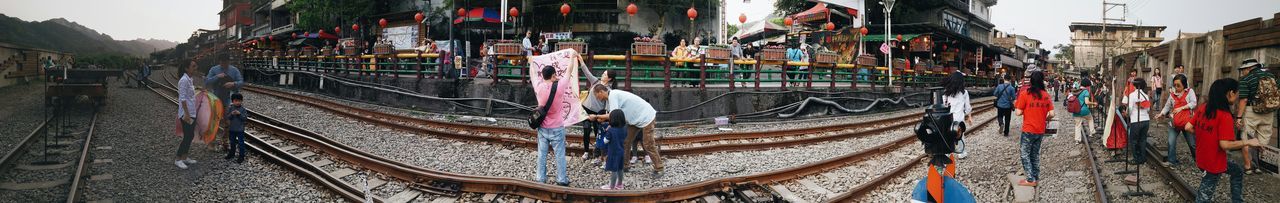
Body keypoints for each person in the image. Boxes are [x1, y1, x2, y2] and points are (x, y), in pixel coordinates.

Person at [1193, 78, 1263, 203]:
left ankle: (1237, 200)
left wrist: (1209, 135)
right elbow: (1225, 145)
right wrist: (1248, 142)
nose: (1237, 97)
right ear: (1230, 93)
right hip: (1214, 163)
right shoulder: (1224, 115)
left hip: (1201, 157)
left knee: (1237, 171)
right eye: (1237, 93)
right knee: (1203, 197)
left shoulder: (1203, 108)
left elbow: (1188, 126)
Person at [588, 87, 664, 177]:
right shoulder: (609, 100)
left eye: (596, 95)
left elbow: (612, 114)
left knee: (648, 144)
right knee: (626, 142)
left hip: (646, 117)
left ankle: (659, 168)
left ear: (601, 92)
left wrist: (596, 116)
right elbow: (613, 116)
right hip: (635, 119)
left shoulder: (613, 95)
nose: (597, 98)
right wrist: (605, 121)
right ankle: (625, 166)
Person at [1234, 58, 1276, 173]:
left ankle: (1248, 167)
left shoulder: (1246, 79)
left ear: (1248, 68)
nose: (1242, 72)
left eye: (1243, 70)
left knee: (1246, 138)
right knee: (1263, 139)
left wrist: (1238, 118)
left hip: (1251, 111)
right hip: (1269, 112)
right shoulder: (1271, 76)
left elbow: (1243, 100)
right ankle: (1258, 166)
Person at [1015, 71, 1054, 187]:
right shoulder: (1046, 95)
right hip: (1040, 130)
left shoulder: (1025, 94)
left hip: (1028, 129)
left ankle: (1030, 180)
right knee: (1035, 154)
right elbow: (1052, 113)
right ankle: (1035, 176)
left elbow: (1018, 112)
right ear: (1042, 81)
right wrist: (1044, 117)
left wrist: (1026, 111)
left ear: (1031, 81)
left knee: (1024, 153)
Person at [533, 66, 570, 186]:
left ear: (543, 75)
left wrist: (531, 61)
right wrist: (572, 57)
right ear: (554, 75)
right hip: (557, 127)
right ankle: (561, 179)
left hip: (543, 127)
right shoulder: (559, 86)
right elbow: (568, 71)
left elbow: (533, 73)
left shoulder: (538, 86)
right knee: (559, 155)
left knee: (542, 154)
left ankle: (540, 178)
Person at [206, 55, 244, 152]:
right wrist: (217, 76)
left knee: (228, 122)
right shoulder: (214, 70)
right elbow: (207, 82)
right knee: (214, 122)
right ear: (219, 61)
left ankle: (225, 143)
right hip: (215, 100)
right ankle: (211, 143)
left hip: (228, 100)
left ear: (229, 61)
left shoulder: (234, 70)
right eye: (222, 62)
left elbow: (241, 82)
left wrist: (233, 84)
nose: (224, 64)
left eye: (226, 62)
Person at [1155, 74, 1196, 166]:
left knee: (1192, 144)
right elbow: (1167, 106)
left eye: (1178, 85)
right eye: (1175, 85)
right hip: (1174, 122)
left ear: (1184, 85)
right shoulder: (1172, 94)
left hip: (1187, 123)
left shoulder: (1190, 92)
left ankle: (1199, 161)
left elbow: (1193, 103)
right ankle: (1171, 160)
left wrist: (1182, 108)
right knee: (1171, 142)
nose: (1176, 88)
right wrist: (1161, 114)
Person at [580, 67, 613, 162]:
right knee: (586, 129)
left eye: (605, 74)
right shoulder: (595, 82)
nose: (602, 75)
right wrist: (581, 62)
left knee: (598, 133)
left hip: (598, 113)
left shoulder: (609, 90)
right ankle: (586, 152)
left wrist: (604, 117)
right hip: (586, 109)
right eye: (603, 73)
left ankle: (597, 155)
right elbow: (587, 72)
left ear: (609, 79)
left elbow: (607, 106)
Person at [175, 61, 200, 169]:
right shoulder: (184, 80)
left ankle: (185, 157)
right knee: (188, 136)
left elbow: (190, 95)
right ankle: (178, 159)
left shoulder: (190, 79)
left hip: (191, 111)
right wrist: (186, 114)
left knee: (190, 136)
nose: (195, 68)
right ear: (186, 68)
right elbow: (182, 98)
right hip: (187, 113)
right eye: (193, 66)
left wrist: (199, 89)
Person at [941, 72, 972, 159]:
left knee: (948, 136)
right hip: (959, 119)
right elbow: (967, 107)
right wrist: (969, 116)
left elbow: (944, 105)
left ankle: (947, 153)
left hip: (948, 118)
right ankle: (961, 153)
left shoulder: (946, 92)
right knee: (960, 136)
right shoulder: (964, 93)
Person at [599, 110, 628, 190]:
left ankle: (611, 186)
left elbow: (605, 141)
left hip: (613, 153)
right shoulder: (624, 128)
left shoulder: (611, 130)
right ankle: (620, 184)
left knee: (614, 170)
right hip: (621, 151)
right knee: (620, 168)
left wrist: (606, 132)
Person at [224, 93, 248, 163]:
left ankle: (241, 156)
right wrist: (231, 114)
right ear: (232, 101)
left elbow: (245, 118)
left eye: (239, 101)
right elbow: (228, 117)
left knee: (241, 143)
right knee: (232, 142)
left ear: (242, 101)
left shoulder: (243, 109)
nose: (237, 102)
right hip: (232, 129)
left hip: (240, 129)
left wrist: (239, 114)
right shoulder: (231, 108)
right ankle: (232, 153)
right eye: (236, 101)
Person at [1073, 78, 1097, 144]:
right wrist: (1094, 103)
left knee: (1077, 125)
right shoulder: (1085, 91)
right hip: (1084, 110)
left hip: (1075, 110)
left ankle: (1077, 140)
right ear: (1087, 85)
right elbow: (1086, 102)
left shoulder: (1076, 90)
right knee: (1090, 119)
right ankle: (1092, 131)